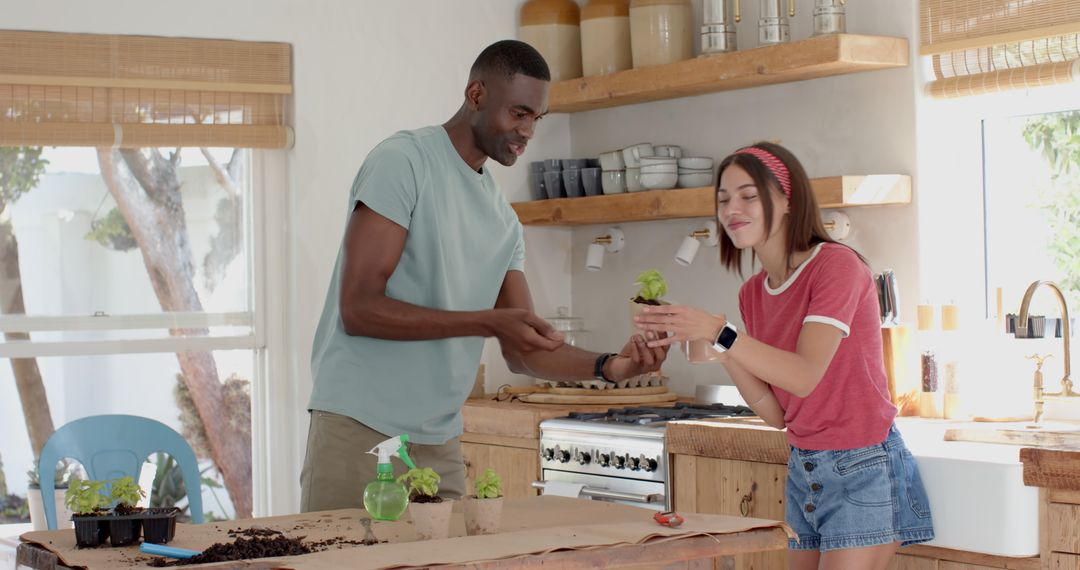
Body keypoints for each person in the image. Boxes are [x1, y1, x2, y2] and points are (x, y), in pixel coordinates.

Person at [301, 39, 669, 512]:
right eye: (519, 113)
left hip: (439, 442)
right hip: (360, 427)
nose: (527, 131)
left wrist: (613, 367)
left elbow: (523, 348)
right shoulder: (404, 162)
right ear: (476, 95)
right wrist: (486, 322)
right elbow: (358, 308)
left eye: (537, 118)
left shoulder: (502, 220)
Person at [634, 142, 934, 569]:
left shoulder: (837, 266)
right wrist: (722, 350)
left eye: (748, 196)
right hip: (805, 468)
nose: (732, 209)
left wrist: (722, 332)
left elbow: (805, 375)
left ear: (787, 199)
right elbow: (778, 413)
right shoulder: (753, 293)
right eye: (723, 199)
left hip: (862, 464)